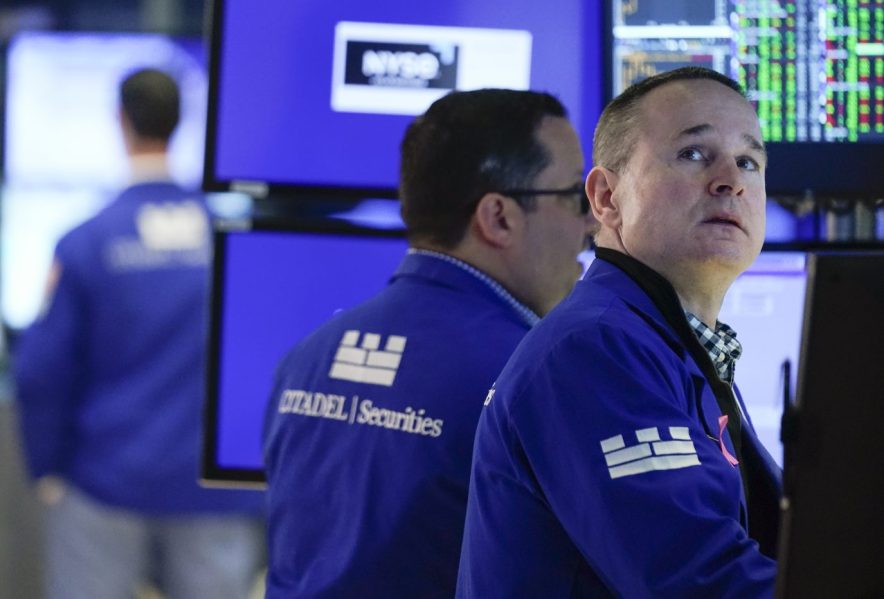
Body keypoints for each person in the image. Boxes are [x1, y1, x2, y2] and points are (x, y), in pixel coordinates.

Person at [457, 67, 783, 597]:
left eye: (749, 161)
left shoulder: (665, 342)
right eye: (694, 154)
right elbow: (704, 584)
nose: (732, 180)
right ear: (606, 199)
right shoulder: (596, 349)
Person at [262, 89, 592, 598]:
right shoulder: (531, 379)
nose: (590, 224)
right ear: (499, 216)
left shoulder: (307, 358)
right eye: (575, 195)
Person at [13, 68, 264, 599]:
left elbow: (42, 370)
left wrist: (47, 468)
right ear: (178, 122)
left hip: (105, 481)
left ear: (120, 121)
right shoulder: (231, 241)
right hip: (213, 490)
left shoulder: (86, 242)